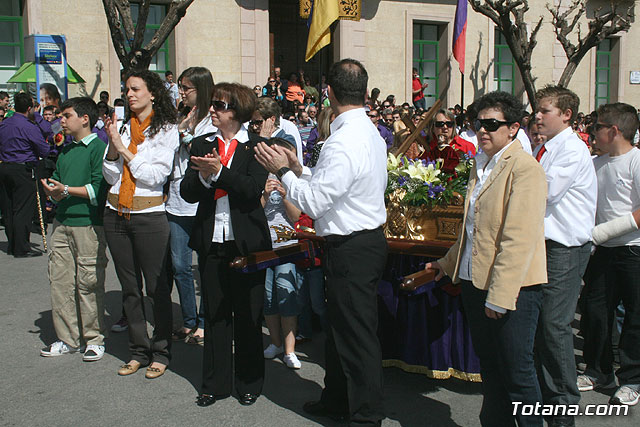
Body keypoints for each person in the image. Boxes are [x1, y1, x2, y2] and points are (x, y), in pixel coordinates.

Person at [255, 58, 388, 426]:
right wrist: (298, 169)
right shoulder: (367, 131)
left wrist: (282, 171)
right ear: (363, 91)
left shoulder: (345, 139)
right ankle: (338, 398)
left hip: (353, 246)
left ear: (328, 92)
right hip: (360, 242)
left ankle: (365, 414)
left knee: (357, 336)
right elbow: (337, 185)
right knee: (341, 332)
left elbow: (314, 202)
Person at [427, 91, 548, 426]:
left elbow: (517, 240)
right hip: (473, 283)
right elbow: (474, 231)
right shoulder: (482, 165)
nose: (482, 130)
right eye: (478, 123)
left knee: (518, 374)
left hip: (513, 290)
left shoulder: (525, 169)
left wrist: (500, 295)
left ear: (513, 128)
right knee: (491, 369)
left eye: (492, 124)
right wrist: (446, 263)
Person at [180, 83, 271, 408]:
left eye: (220, 104)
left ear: (238, 110)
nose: (213, 109)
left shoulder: (257, 147)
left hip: (246, 243)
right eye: (213, 103)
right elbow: (187, 190)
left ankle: (249, 382)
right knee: (215, 314)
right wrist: (205, 177)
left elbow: (251, 190)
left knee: (248, 315)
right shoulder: (203, 143)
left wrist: (220, 172)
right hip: (211, 241)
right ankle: (214, 384)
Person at [102, 70, 179, 379]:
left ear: (153, 94)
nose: (130, 94)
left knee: (157, 288)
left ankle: (161, 351)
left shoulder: (166, 130)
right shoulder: (122, 126)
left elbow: (154, 176)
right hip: (115, 212)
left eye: (135, 89)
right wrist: (111, 147)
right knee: (129, 289)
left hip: (149, 215)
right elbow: (110, 175)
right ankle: (137, 350)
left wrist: (123, 148)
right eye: (127, 89)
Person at [532, 85, 597, 427]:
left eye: (545, 111)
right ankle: (546, 396)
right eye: (537, 110)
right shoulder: (544, 147)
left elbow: (543, 193)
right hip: (543, 245)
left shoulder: (571, 150)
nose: (537, 116)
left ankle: (563, 405)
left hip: (565, 248)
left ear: (567, 115)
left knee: (554, 325)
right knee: (540, 324)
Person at [579, 103, 640, 407]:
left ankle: (631, 379)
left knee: (634, 317)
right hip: (601, 252)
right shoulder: (595, 164)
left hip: (633, 251)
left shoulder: (637, 161)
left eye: (597, 127)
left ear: (614, 131)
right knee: (595, 312)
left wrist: (602, 232)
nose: (592, 133)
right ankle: (598, 370)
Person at [39, 97, 109, 361]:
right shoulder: (66, 150)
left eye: (67, 115)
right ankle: (67, 338)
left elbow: (97, 189)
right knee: (60, 282)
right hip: (62, 223)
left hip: (88, 225)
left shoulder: (97, 148)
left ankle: (94, 338)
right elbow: (59, 186)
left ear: (85, 119)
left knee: (88, 283)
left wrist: (65, 190)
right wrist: (54, 193)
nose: (62, 120)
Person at [168, 66, 216, 344]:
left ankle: (204, 320)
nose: (182, 92)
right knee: (180, 266)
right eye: (181, 87)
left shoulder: (214, 119)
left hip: (202, 202)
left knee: (206, 267)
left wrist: (186, 133)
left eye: (187, 88)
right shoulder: (180, 117)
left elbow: (204, 153)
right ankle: (189, 320)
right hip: (176, 202)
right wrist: (181, 128)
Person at [261, 138, 303, 369]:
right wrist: (266, 195)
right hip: (265, 246)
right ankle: (275, 343)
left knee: (286, 294)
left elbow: (297, 216)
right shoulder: (261, 177)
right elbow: (253, 212)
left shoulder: (292, 180)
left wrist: (285, 195)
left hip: (287, 246)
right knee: (268, 298)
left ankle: (290, 350)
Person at [0, 93, 50, 257]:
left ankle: (13, 244)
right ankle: (21, 247)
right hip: (23, 169)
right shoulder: (28, 126)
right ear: (29, 108)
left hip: (5, 167)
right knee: (22, 209)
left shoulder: (5, 123)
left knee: (8, 208)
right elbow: (44, 148)